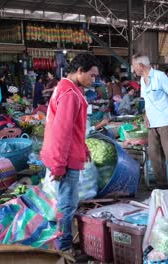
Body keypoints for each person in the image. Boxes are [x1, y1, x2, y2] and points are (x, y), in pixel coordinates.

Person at [40, 53, 101, 252]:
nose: (94, 80)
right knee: (68, 204)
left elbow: (73, 128)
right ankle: (64, 247)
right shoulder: (70, 95)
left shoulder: (66, 88)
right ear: (80, 71)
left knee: (66, 202)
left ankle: (62, 241)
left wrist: (82, 147)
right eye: (92, 75)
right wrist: (59, 165)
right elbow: (62, 133)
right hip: (63, 159)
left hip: (62, 155)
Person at [133, 53, 168, 189]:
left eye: (134, 66)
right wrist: (146, 117)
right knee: (154, 155)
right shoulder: (143, 80)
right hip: (152, 123)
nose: (133, 69)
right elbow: (146, 101)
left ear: (141, 65)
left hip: (166, 121)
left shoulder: (160, 76)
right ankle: (161, 183)